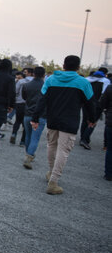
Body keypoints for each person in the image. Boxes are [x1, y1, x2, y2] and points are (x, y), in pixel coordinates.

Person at [31, 55, 96, 195]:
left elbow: (41, 100)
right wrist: (92, 118)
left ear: (63, 65)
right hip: (70, 122)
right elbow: (90, 103)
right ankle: (53, 182)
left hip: (52, 119)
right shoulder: (83, 82)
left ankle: (50, 172)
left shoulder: (51, 79)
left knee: (51, 146)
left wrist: (35, 117)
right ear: (78, 67)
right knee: (63, 150)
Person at [22, 66, 46, 169]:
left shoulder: (26, 85)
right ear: (44, 75)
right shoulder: (46, 86)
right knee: (35, 138)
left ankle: (28, 153)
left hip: (28, 113)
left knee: (28, 135)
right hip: (41, 115)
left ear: (33, 74)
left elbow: (24, 97)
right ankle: (29, 156)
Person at [79, 70, 110, 149]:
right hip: (97, 105)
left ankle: (82, 138)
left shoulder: (87, 80)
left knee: (84, 121)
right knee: (93, 122)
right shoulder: (105, 81)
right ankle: (85, 139)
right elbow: (104, 94)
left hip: (85, 103)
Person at [99, 85, 112, 181]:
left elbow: (102, 103)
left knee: (110, 149)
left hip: (111, 121)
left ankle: (109, 174)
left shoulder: (110, 88)